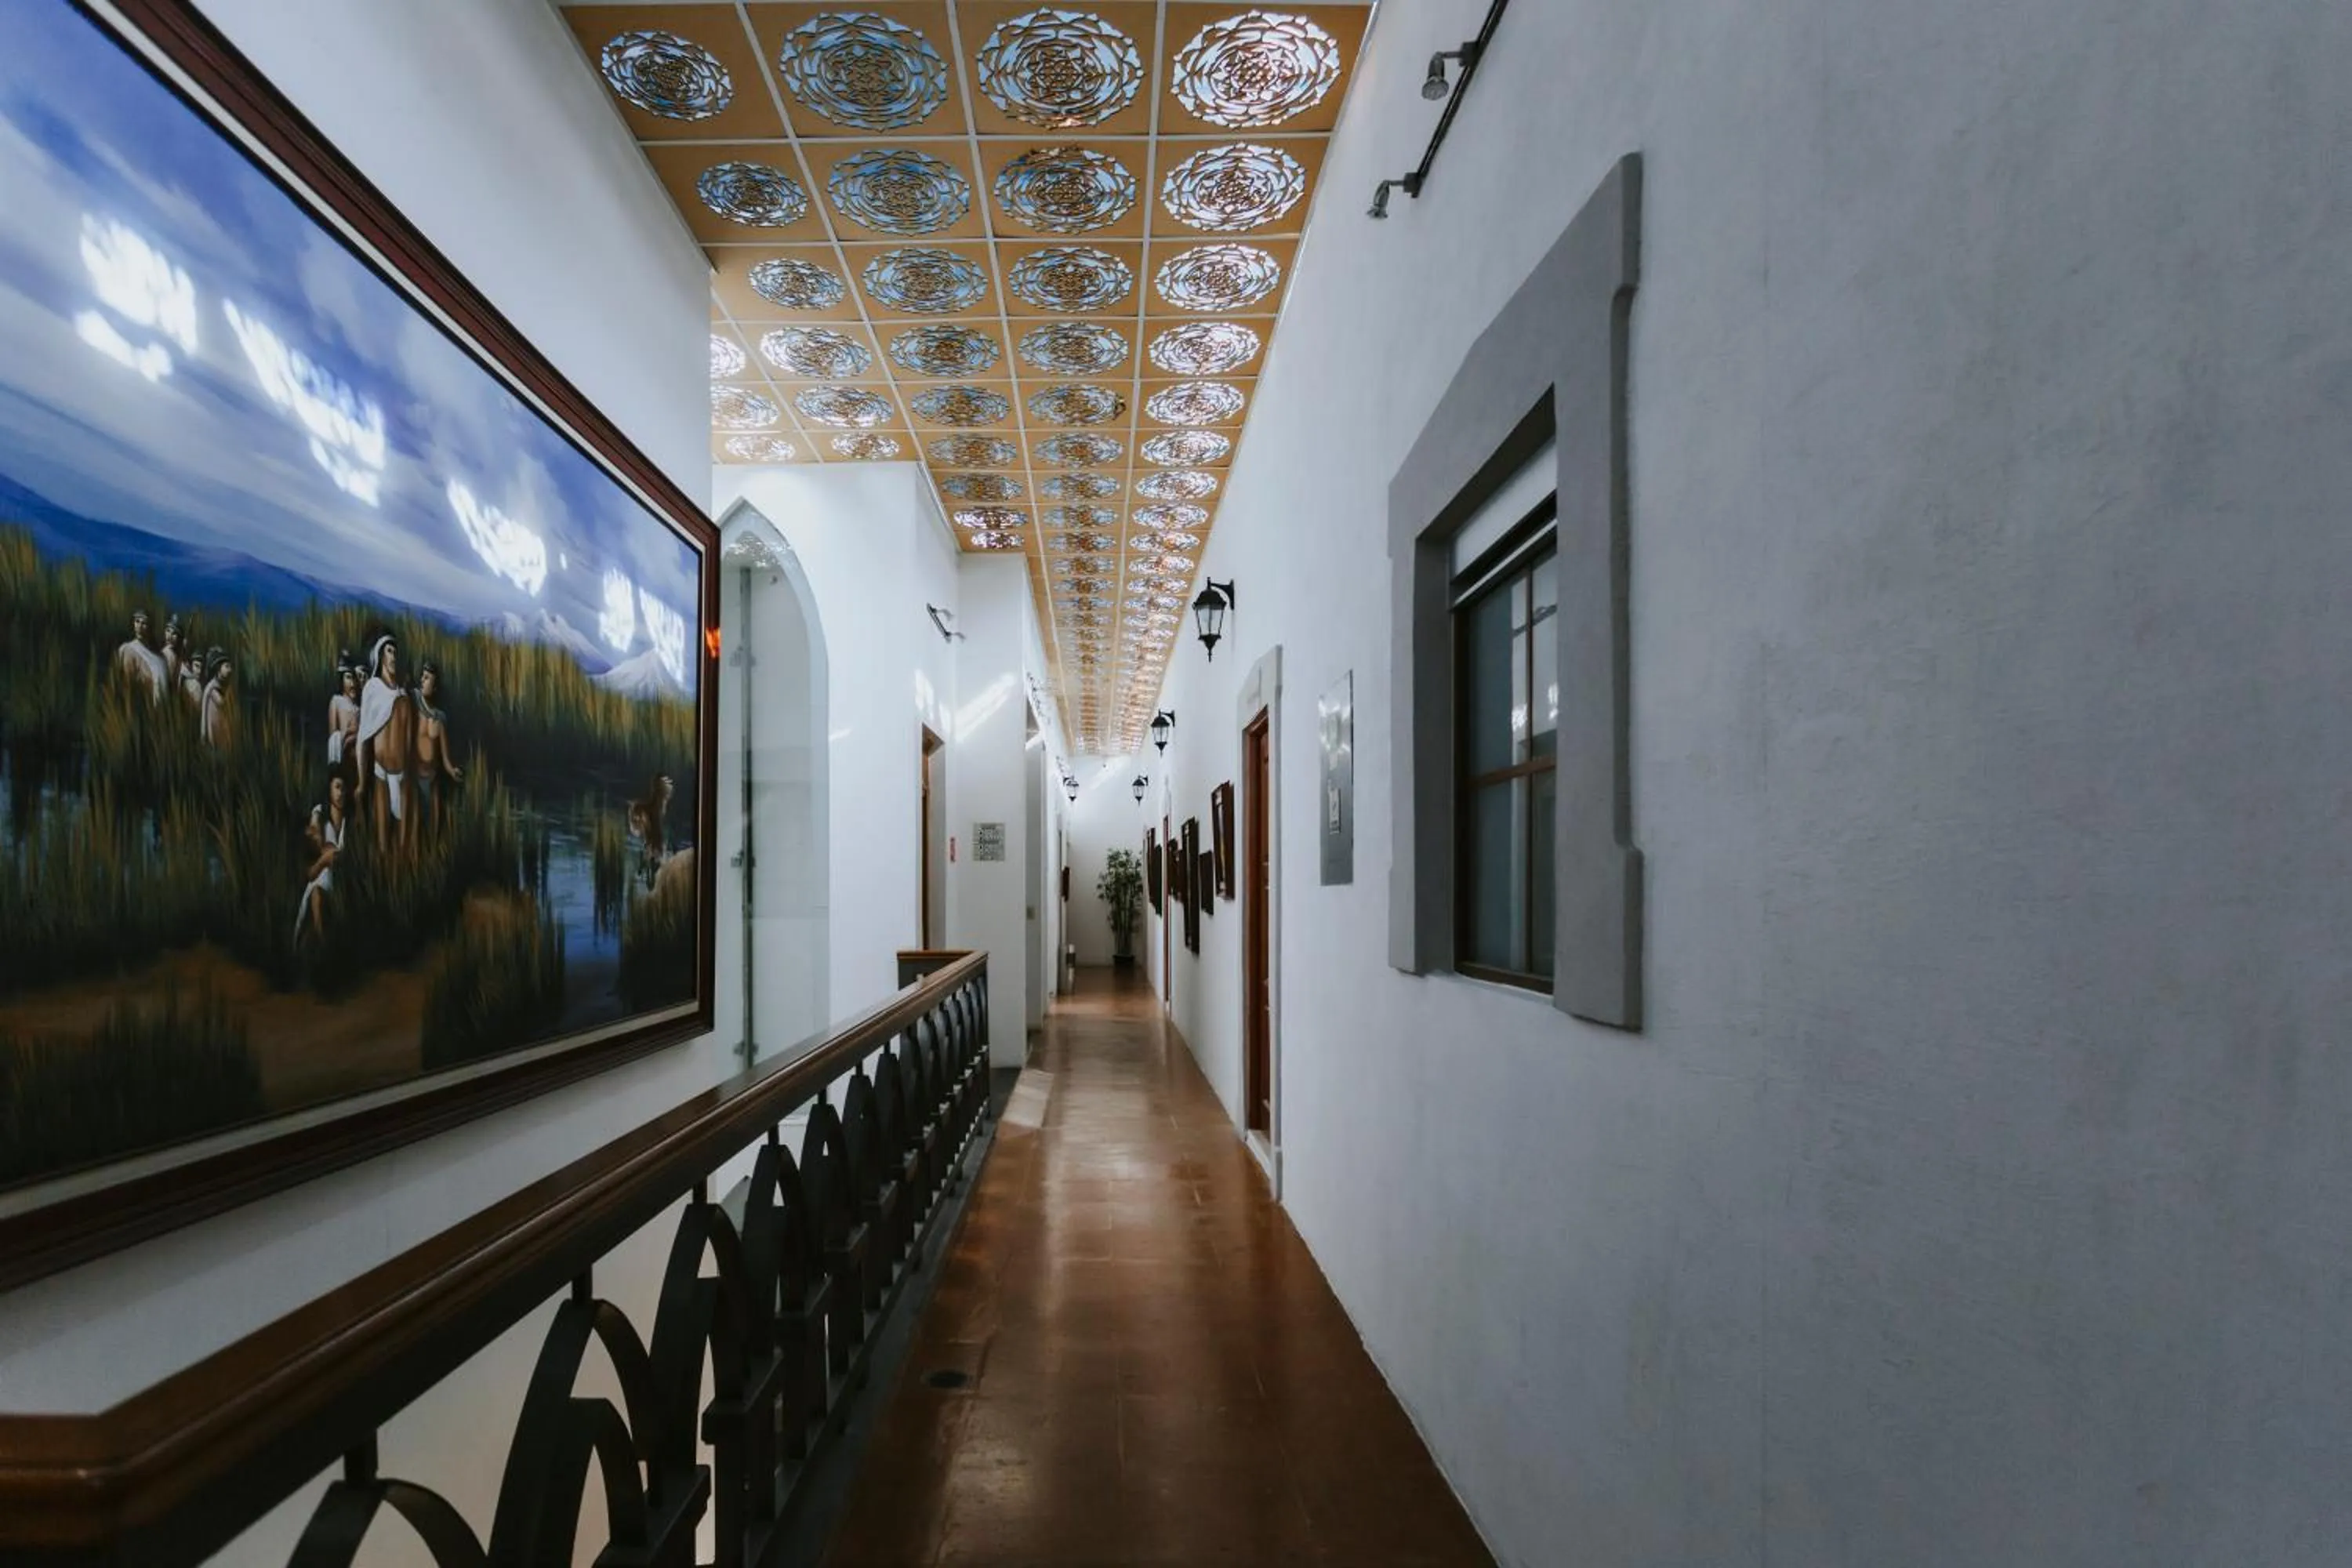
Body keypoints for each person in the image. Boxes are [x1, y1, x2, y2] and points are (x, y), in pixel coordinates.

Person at [354, 633, 415, 840]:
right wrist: (362, 782)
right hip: (379, 771)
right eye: (389, 651)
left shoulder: (404, 697)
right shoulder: (372, 689)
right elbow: (364, 736)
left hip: (401, 773)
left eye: (396, 652)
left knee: (402, 838)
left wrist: (407, 771)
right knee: (381, 838)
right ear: (381, 656)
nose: (394, 656)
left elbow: (408, 740)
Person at [295, 774, 347, 945]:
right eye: (337, 787)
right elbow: (314, 834)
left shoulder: (349, 821)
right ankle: (319, 938)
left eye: (344, 789)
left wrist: (330, 856)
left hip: (342, 881)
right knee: (316, 890)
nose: (341, 793)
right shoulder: (320, 814)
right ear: (330, 790)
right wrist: (325, 858)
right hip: (321, 877)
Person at [412, 659, 463, 819]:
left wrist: (452, 770)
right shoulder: (413, 704)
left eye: (427, 678)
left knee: (432, 824)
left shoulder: (440, 718)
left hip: (432, 780)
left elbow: (445, 757)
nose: (422, 680)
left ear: (434, 687)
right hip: (413, 778)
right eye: (422, 676)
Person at [627, 773, 673, 888]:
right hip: (651, 841)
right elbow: (636, 825)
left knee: (654, 860)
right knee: (650, 859)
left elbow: (636, 825)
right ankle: (648, 877)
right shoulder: (646, 810)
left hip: (656, 840)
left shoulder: (653, 806)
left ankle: (650, 877)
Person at [114, 609, 167, 699]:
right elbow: (127, 683)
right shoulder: (129, 649)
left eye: (144, 623)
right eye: (137, 622)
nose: (140, 626)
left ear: (150, 627)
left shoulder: (159, 657)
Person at [326, 660, 361, 771]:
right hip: (343, 754)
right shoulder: (337, 701)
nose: (353, 683)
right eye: (349, 678)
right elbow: (333, 734)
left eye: (355, 679)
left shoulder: (360, 708)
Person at [199, 650, 234, 749]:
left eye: (230, 667)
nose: (229, 670)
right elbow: (221, 702)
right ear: (219, 669)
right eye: (226, 666)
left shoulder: (226, 685)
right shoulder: (212, 687)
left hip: (222, 724)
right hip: (213, 725)